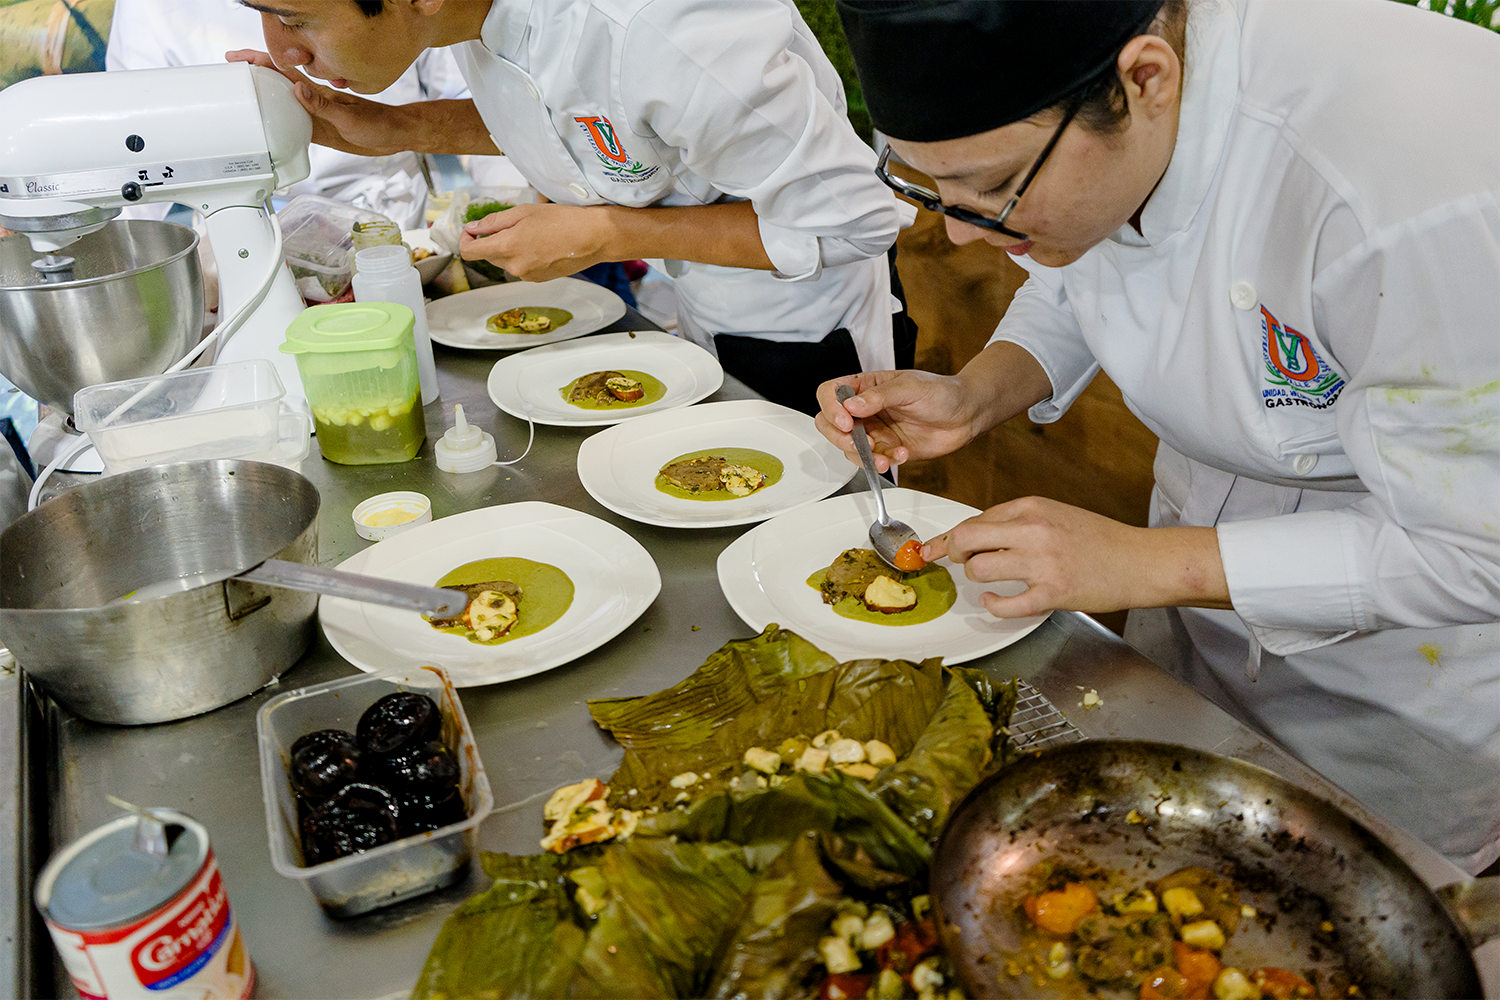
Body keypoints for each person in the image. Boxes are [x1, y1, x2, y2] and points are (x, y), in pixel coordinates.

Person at [820, 0, 1500, 871]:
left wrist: (1143, 563)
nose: (958, 231)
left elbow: (1472, 548)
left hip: (1399, 683)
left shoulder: (1408, 190)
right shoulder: (1101, 112)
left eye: (990, 189)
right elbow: (1079, 257)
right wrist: (977, 391)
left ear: (1148, 78)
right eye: (930, 189)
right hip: (1189, 590)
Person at [227, 0, 914, 413]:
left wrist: (607, 234)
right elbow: (584, 117)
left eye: (294, 18)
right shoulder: (477, 18)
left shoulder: (657, 27)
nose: (283, 50)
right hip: (701, 304)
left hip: (805, 326)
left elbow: (855, 217)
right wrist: (397, 128)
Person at [108, 0, 471, 228]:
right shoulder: (148, 9)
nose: (283, 56)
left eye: (296, 21)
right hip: (243, 229)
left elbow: (484, 97)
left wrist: (507, 209)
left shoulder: (444, 20)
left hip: (392, 221)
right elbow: (134, 149)